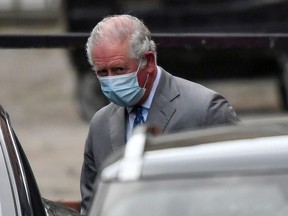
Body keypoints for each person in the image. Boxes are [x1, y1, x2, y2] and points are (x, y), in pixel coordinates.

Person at [80, 14, 240, 213]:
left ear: (148, 61)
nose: (111, 80)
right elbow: (93, 204)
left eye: (119, 69)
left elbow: (237, 190)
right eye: (102, 72)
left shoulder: (206, 109)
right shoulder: (100, 124)